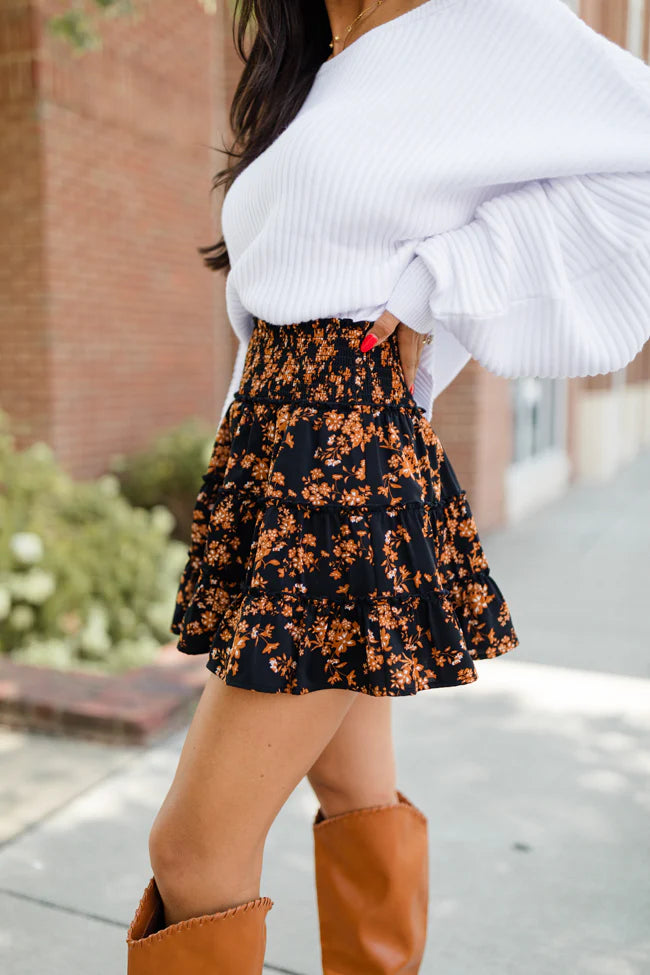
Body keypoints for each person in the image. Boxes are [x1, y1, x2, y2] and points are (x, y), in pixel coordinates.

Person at [125, 0, 650, 972]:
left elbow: (636, 158)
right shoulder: (315, 65)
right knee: (355, 797)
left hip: (342, 459)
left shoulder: (478, 20)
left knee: (192, 851)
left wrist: (434, 286)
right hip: (278, 458)